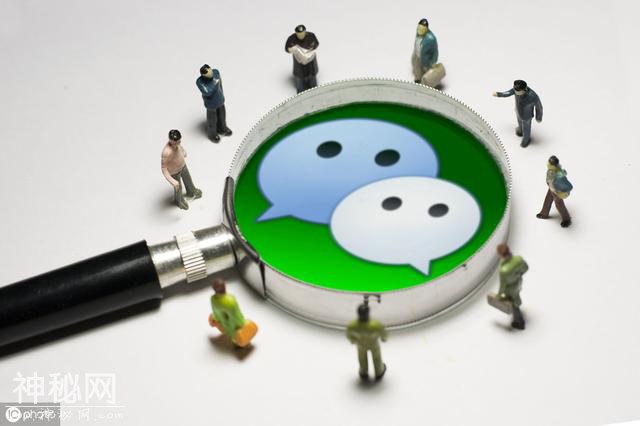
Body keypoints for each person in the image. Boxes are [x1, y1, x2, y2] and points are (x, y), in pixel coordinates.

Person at [208, 279, 258, 348]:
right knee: (235, 335)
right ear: (224, 287)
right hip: (234, 325)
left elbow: (215, 312)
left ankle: (236, 341)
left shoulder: (213, 299)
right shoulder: (230, 301)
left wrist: (216, 320)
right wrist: (242, 325)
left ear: (214, 289)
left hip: (223, 323)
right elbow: (237, 316)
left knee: (229, 331)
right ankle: (238, 344)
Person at [492, 80, 543, 147]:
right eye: (515, 90)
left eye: (517, 91)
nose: (515, 92)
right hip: (518, 112)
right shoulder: (516, 90)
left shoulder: (533, 96)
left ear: (524, 90)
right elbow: (508, 93)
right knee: (519, 123)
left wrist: (539, 117)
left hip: (527, 116)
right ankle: (520, 131)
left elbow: (539, 107)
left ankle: (526, 140)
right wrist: (498, 94)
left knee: (526, 129)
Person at [161, 129, 202, 210]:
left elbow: (180, 148)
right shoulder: (166, 152)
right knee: (178, 187)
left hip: (183, 166)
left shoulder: (178, 144)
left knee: (188, 180)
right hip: (174, 172)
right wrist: (172, 181)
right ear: (171, 140)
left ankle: (191, 191)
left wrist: (183, 152)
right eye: (176, 142)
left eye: (179, 141)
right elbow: (164, 169)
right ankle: (179, 200)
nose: (178, 143)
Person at [346, 303, 387, 381]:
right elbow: (383, 332)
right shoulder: (375, 325)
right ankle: (379, 372)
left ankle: (363, 372)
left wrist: (353, 340)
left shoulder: (353, 325)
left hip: (361, 345)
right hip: (374, 344)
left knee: (362, 358)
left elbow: (349, 334)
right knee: (377, 358)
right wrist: (384, 338)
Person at [493, 244, 528, 330]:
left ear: (500, 254)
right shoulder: (519, 259)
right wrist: (519, 274)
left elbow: (502, 286)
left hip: (510, 290)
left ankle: (519, 322)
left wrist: (499, 296)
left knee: (514, 305)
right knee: (516, 298)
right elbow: (526, 268)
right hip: (519, 282)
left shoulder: (503, 270)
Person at [196, 64, 232, 142]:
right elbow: (207, 92)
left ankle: (223, 128)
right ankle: (212, 134)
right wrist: (216, 83)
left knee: (222, 115)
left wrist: (221, 93)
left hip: (220, 99)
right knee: (212, 119)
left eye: (210, 72)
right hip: (210, 104)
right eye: (208, 74)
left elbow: (220, 84)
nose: (211, 74)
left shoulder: (216, 73)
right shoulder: (200, 82)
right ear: (203, 75)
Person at [536, 155, 573, 227]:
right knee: (548, 199)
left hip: (557, 190)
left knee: (559, 204)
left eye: (550, 163)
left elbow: (561, 177)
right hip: (552, 187)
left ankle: (566, 219)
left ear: (553, 165)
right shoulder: (552, 170)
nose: (548, 164)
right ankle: (544, 213)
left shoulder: (557, 172)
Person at [285, 25, 319, 93]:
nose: (301, 36)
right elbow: (287, 49)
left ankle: (314, 91)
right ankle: (301, 92)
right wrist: (292, 49)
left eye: (302, 34)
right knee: (299, 79)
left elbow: (316, 44)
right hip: (299, 63)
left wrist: (308, 51)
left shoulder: (311, 36)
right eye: (299, 34)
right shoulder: (291, 39)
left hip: (310, 62)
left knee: (312, 79)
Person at [411, 18, 445, 87]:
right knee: (417, 69)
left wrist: (433, 62)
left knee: (426, 72)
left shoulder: (431, 39)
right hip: (417, 56)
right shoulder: (418, 33)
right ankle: (418, 79)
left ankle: (427, 85)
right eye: (419, 28)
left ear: (426, 29)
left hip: (426, 59)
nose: (419, 31)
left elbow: (435, 51)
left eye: (422, 29)